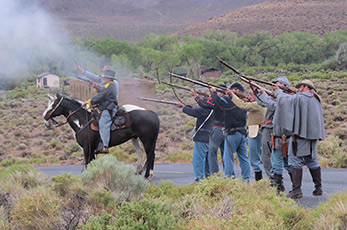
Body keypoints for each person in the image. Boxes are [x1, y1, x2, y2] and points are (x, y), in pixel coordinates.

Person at [273, 79, 325, 199]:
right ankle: (318, 187)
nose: (298, 89)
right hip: (310, 136)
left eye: (300, 86)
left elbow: (286, 101)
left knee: (295, 161)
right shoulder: (314, 98)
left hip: (300, 137)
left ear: (306, 87)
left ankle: (296, 190)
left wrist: (278, 92)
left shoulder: (303, 97)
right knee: (311, 160)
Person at [255, 76, 293, 193]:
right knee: (267, 157)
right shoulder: (277, 97)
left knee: (284, 160)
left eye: (278, 84)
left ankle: (291, 185)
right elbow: (262, 102)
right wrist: (257, 91)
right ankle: (274, 183)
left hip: (279, 131)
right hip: (270, 129)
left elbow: (272, 106)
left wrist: (265, 95)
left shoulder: (286, 99)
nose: (275, 86)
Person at [211, 83, 251, 182]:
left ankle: (228, 180)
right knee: (244, 159)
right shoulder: (242, 102)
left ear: (236, 90)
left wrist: (214, 93)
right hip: (241, 132)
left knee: (228, 158)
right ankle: (246, 180)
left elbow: (220, 102)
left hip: (232, 133)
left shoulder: (232, 100)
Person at [228, 89, 266, 181]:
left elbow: (242, 105)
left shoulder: (256, 105)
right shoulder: (260, 104)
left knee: (254, 159)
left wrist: (233, 95)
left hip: (255, 132)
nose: (250, 96)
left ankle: (259, 181)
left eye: (252, 95)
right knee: (256, 157)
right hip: (257, 131)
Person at [176, 91, 213, 182]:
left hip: (202, 137)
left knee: (198, 160)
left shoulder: (206, 108)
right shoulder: (215, 107)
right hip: (211, 137)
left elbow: (196, 112)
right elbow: (198, 110)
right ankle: (210, 180)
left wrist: (183, 108)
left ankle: (199, 180)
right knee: (208, 161)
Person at [83, 70, 118, 154]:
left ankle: (105, 146)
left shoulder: (108, 87)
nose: (104, 79)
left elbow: (99, 97)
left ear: (110, 78)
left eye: (105, 77)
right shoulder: (109, 86)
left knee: (103, 123)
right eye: (104, 77)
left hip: (108, 108)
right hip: (106, 106)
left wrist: (88, 102)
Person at [194, 86, 225, 175]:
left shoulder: (220, 102)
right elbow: (206, 104)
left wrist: (196, 96)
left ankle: (212, 177)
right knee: (213, 156)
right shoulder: (224, 101)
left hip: (217, 131)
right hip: (219, 131)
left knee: (211, 155)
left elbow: (205, 105)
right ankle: (213, 177)